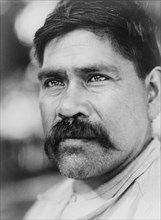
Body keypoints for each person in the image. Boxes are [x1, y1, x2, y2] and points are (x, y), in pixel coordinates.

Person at [24, 0, 161, 219]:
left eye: (96, 78)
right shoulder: (43, 210)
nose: (67, 107)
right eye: (53, 82)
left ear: (152, 93)